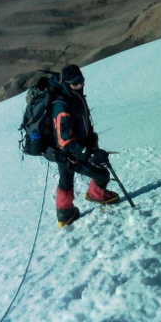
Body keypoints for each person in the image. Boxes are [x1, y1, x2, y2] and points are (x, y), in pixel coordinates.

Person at [51, 64, 119, 227]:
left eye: (82, 81)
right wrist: (87, 153)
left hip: (65, 153)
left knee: (66, 179)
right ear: (67, 84)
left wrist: (91, 143)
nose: (80, 85)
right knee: (101, 174)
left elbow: (83, 124)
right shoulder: (62, 105)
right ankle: (96, 194)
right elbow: (65, 140)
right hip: (70, 152)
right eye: (76, 83)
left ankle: (65, 213)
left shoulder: (75, 97)